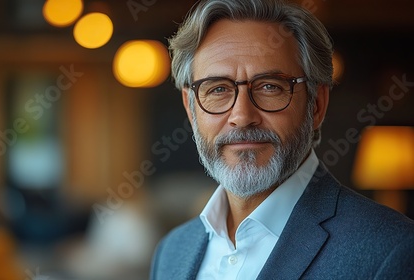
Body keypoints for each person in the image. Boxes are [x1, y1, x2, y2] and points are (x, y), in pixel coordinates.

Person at [150, 0, 414, 279]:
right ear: (190, 107)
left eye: (269, 87)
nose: (242, 116)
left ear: (316, 105)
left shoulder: (391, 252)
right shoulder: (171, 252)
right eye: (217, 89)